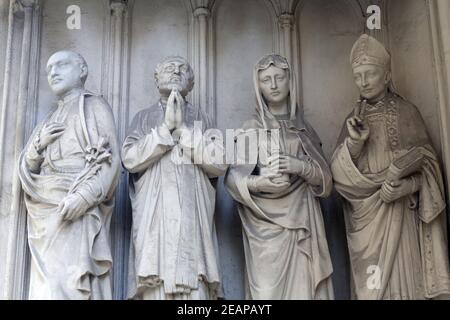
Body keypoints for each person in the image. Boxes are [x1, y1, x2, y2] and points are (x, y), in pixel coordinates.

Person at [331, 34, 450, 299]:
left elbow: (429, 167)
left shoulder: (408, 112)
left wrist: (406, 186)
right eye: (358, 75)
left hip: (401, 213)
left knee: (405, 282)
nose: (363, 81)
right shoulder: (352, 121)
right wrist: (354, 144)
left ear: (386, 76)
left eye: (370, 73)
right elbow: (337, 178)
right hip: (367, 220)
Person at [225, 54, 334, 300]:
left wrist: (300, 166)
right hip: (264, 228)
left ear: (289, 81)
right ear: (258, 86)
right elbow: (232, 179)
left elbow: (326, 182)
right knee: (266, 293)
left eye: (279, 77)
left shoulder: (304, 129)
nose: (273, 85)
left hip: (302, 220)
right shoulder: (251, 127)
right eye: (266, 80)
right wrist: (258, 183)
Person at [123, 56, 227, 300]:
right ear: (156, 78)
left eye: (183, 69)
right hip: (155, 224)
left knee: (195, 290)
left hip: (193, 223)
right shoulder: (143, 118)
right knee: (156, 285)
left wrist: (183, 131)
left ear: (191, 82)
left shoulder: (203, 118)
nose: (176, 72)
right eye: (169, 68)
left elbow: (220, 162)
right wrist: (165, 130)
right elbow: (129, 159)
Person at [19, 51, 120, 300]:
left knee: (71, 284)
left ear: (82, 70)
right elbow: (26, 168)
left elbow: (111, 159)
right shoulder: (48, 118)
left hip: (76, 204)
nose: (53, 72)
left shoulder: (94, 106)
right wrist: (37, 147)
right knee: (47, 288)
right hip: (45, 210)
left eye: (61, 65)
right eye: (49, 68)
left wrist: (84, 198)